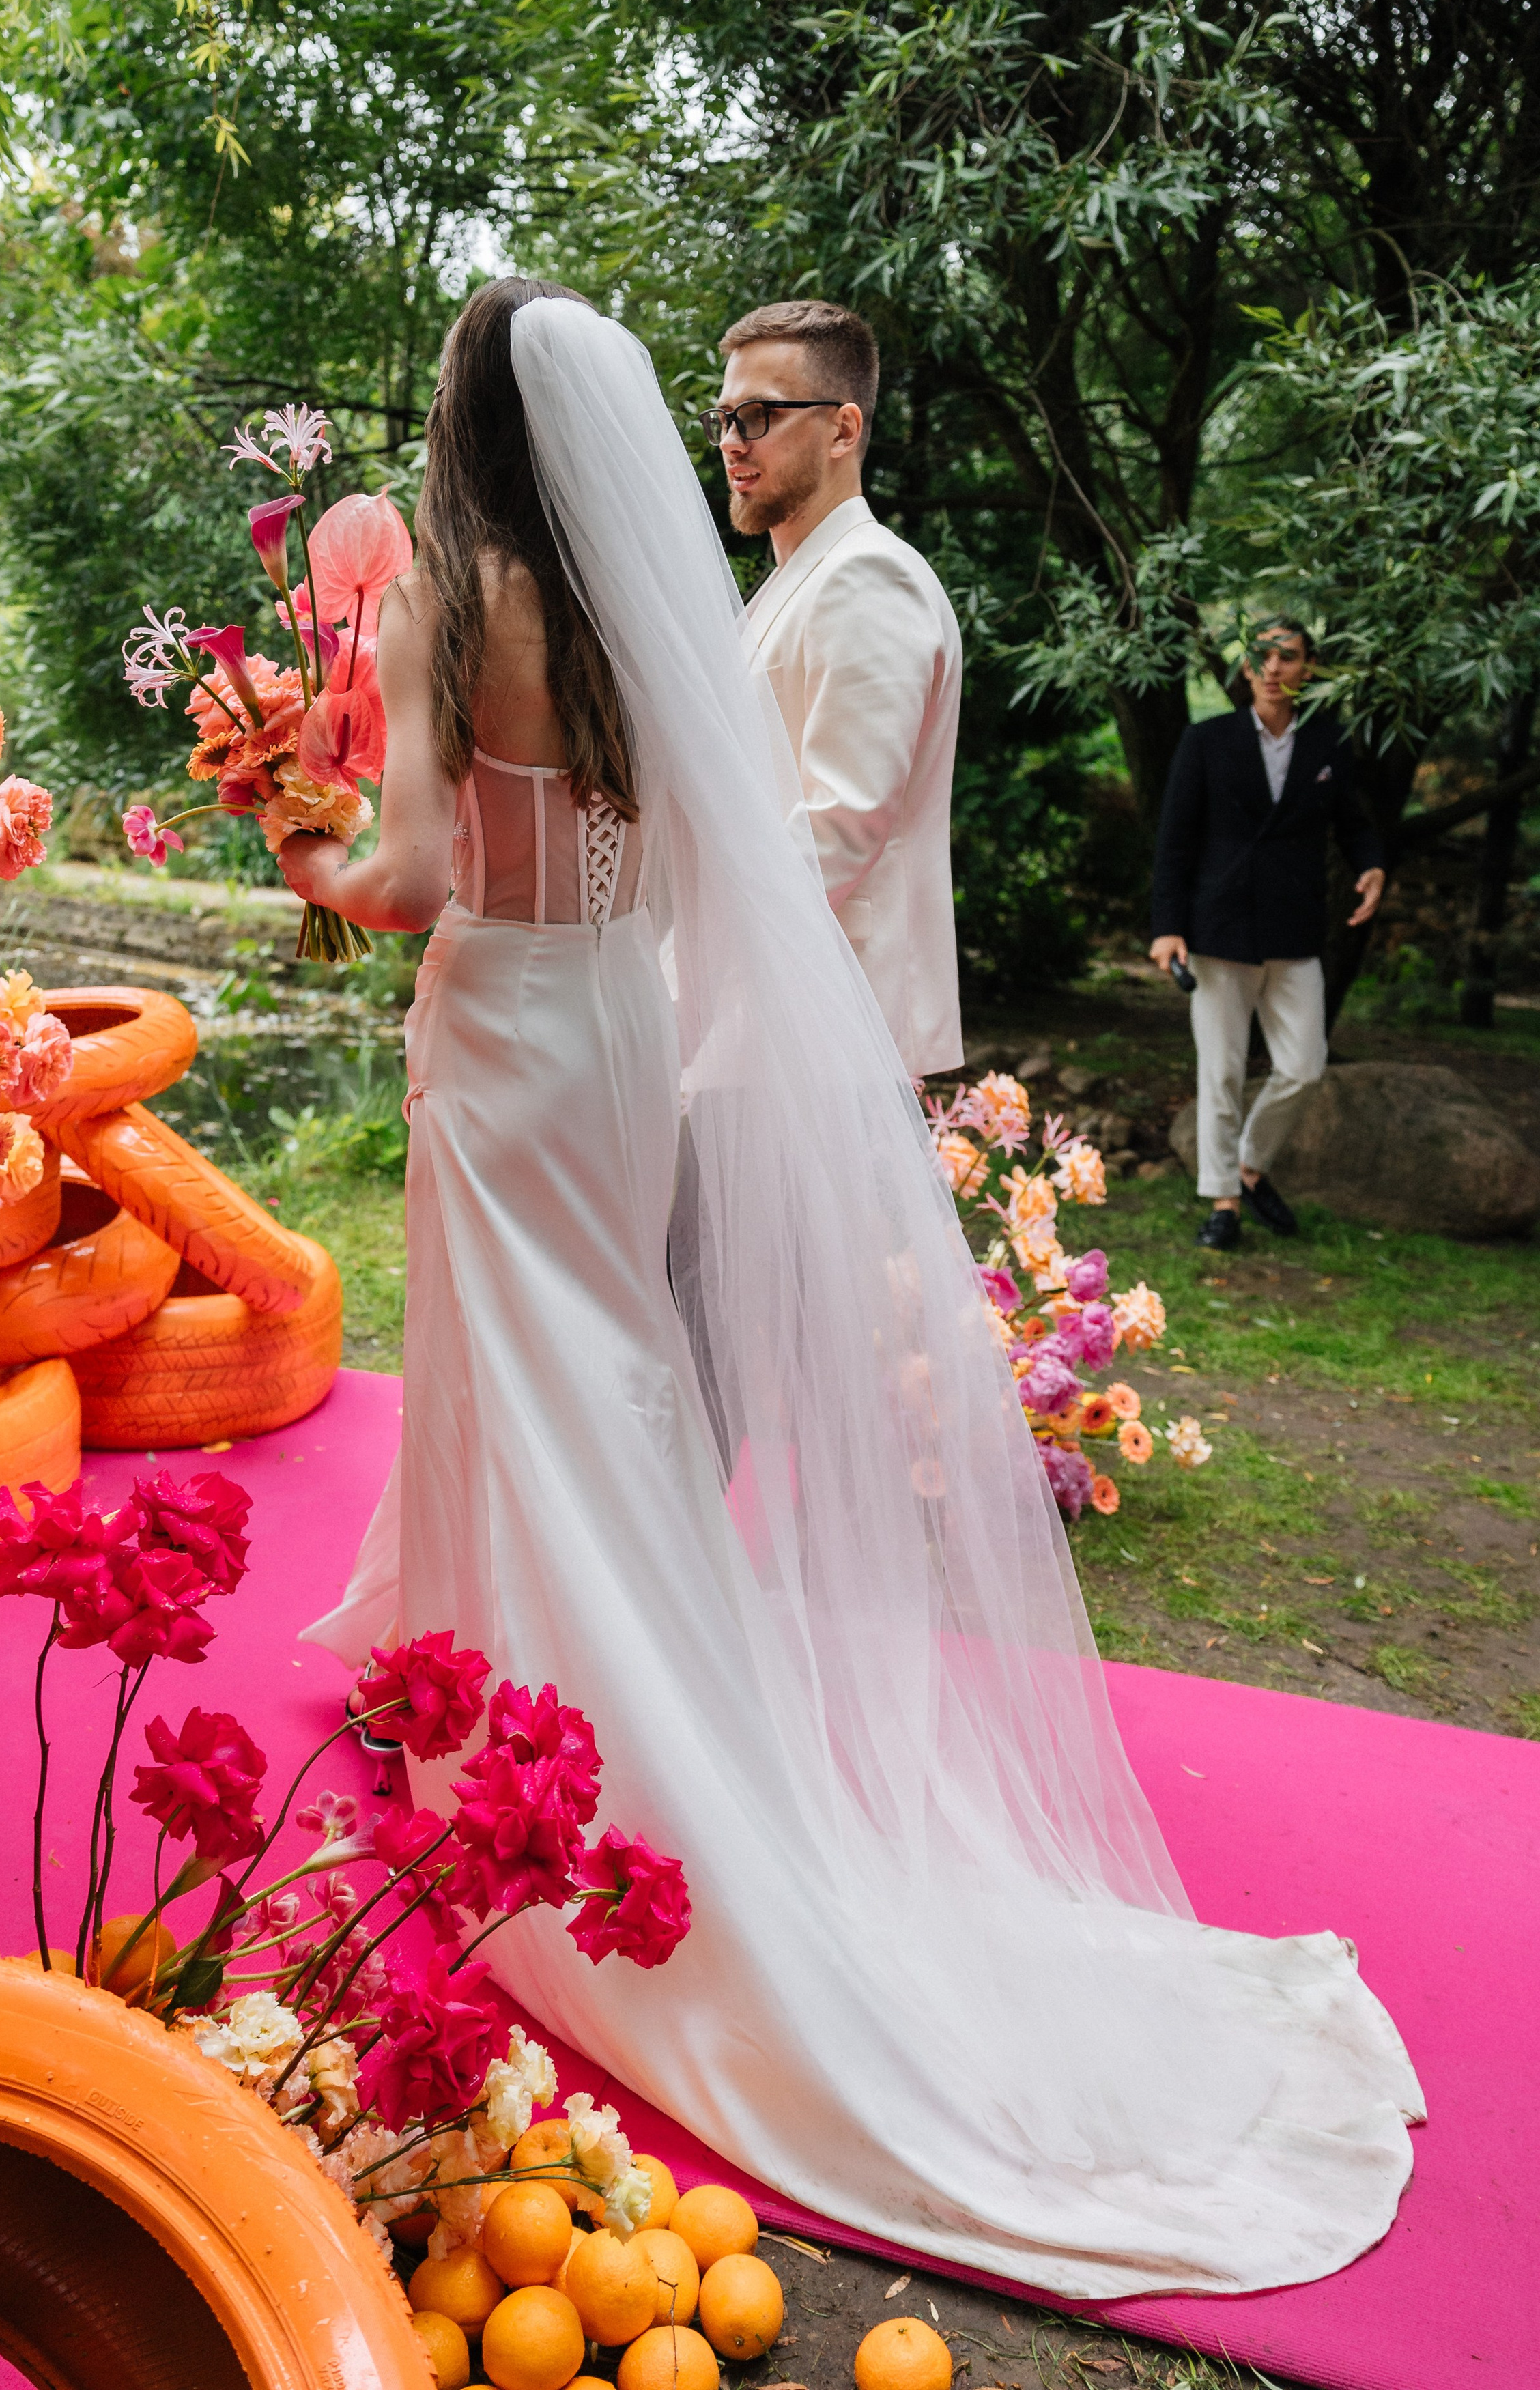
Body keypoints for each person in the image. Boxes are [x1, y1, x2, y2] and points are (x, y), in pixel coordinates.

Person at [281, 280, 1419, 2300]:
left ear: (458, 423)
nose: (718, 440)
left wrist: (298, 829)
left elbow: (411, 876)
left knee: (530, 1388)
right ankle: (560, 1703)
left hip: (510, 1035)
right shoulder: (646, 609)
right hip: (625, 1034)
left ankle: (551, 1738)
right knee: (610, 1388)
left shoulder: (445, 596)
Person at [709, 300, 963, 1081]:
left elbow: (840, 829)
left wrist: (692, 946)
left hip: (827, 1023)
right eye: (723, 416)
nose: (730, 442)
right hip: (771, 1011)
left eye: (758, 416)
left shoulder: (867, 576)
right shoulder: (798, 580)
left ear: (843, 429)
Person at [1150, 620, 1384, 1251]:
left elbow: (1354, 823)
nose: (1275, 667)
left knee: (1305, 1067)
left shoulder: (1329, 742)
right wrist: (1167, 927)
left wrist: (1372, 864)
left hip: (1294, 926)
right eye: (1264, 657)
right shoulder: (1207, 740)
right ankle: (1223, 1201)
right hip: (1218, 924)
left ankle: (1251, 1167)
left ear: (1308, 668)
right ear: (1247, 669)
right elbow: (1174, 841)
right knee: (1221, 1071)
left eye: (1290, 656)